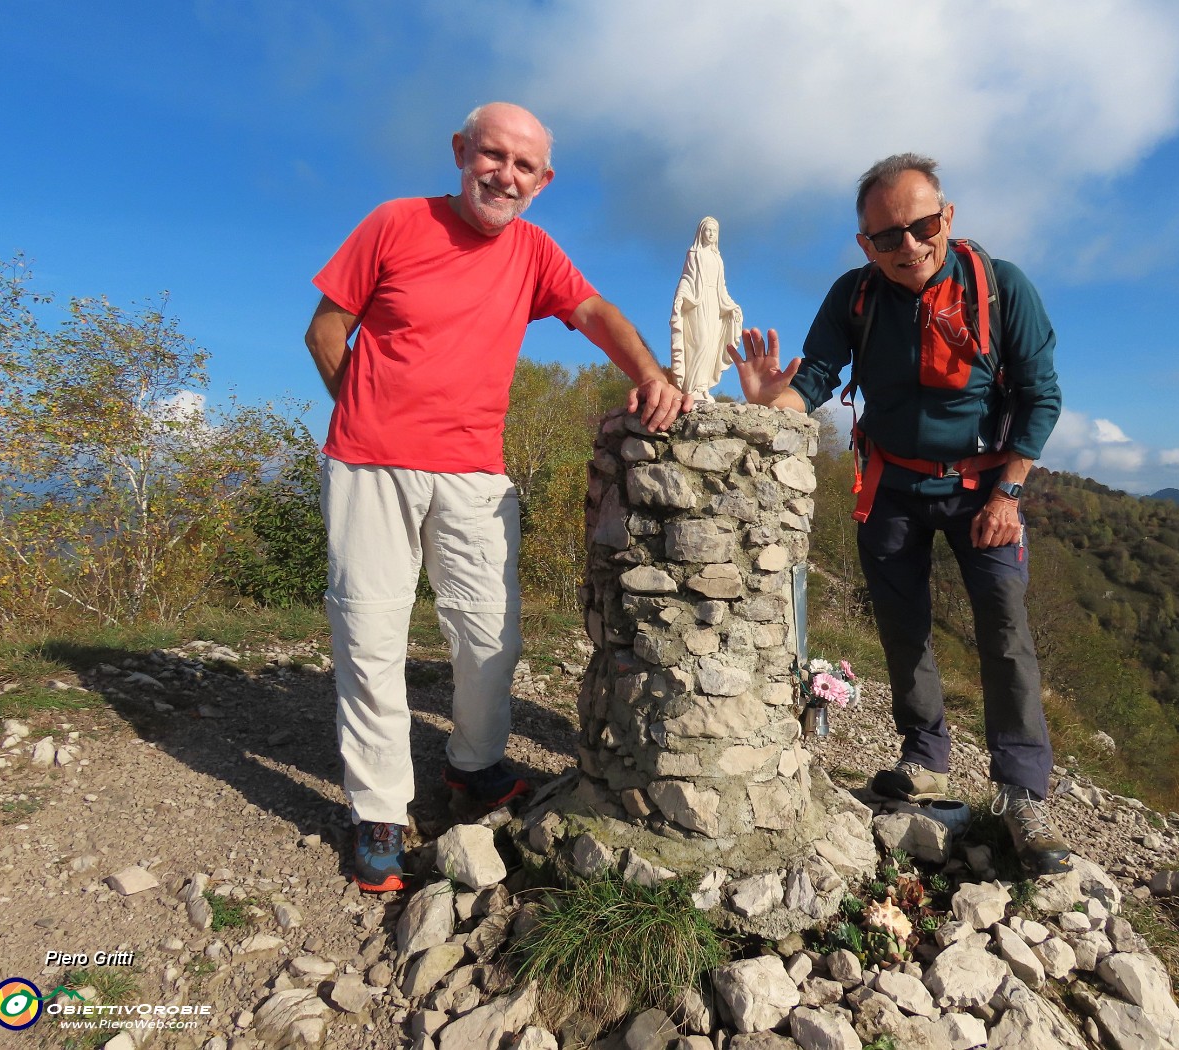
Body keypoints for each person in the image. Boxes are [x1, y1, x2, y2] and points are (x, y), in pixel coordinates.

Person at [305, 102, 690, 892]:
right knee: (370, 636)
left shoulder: (534, 250)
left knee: (491, 635)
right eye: (492, 155)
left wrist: (651, 376)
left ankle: (472, 769)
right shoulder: (395, 222)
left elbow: (593, 312)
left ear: (543, 182)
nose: (504, 175)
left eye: (523, 166)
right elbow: (324, 331)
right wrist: (365, 413)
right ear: (460, 151)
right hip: (370, 467)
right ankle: (379, 809)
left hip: (475, 470)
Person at [727, 153, 1070, 875]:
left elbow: (1041, 395)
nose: (908, 247)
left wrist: (1009, 495)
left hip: (984, 488)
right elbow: (815, 378)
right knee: (901, 625)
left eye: (921, 227)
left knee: (1004, 633)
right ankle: (925, 757)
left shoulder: (1001, 288)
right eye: (887, 238)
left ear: (946, 217)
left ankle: (1021, 795)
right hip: (889, 484)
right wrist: (771, 407)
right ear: (865, 246)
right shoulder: (856, 296)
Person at [669, 216, 743, 400]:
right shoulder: (694, 254)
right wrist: (680, 296)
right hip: (697, 302)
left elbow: (722, 286)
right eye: (708, 230)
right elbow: (686, 278)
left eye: (714, 231)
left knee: (711, 344)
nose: (710, 234)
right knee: (699, 342)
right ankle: (691, 387)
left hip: (715, 304)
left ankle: (702, 387)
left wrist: (731, 305)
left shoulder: (718, 258)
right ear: (701, 232)